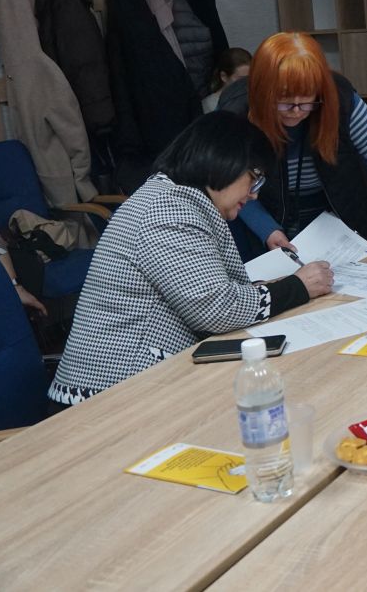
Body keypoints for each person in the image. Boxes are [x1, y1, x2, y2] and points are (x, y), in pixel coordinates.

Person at [46, 112, 333, 405]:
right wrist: (297, 287)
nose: (254, 195)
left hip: (132, 383)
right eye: (254, 180)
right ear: (225, 162)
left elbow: (206, 291)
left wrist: (275, 288)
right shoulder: (169, 209)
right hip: (107, 396)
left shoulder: (172, 197)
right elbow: (216, 308)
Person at [220, 33, 367, 257]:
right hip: (267, 226)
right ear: (263, 93)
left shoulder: (339, 98)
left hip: (341, 226)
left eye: (306, 100)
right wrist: (267, 229)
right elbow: (230, 187)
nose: (296, 111)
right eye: (285, 101)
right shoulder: (237, 112)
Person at [201, 47, 251, 112]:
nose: (246, 82)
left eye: (250, 77)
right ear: (224, 76)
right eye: (241, 79)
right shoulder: (210, 106)